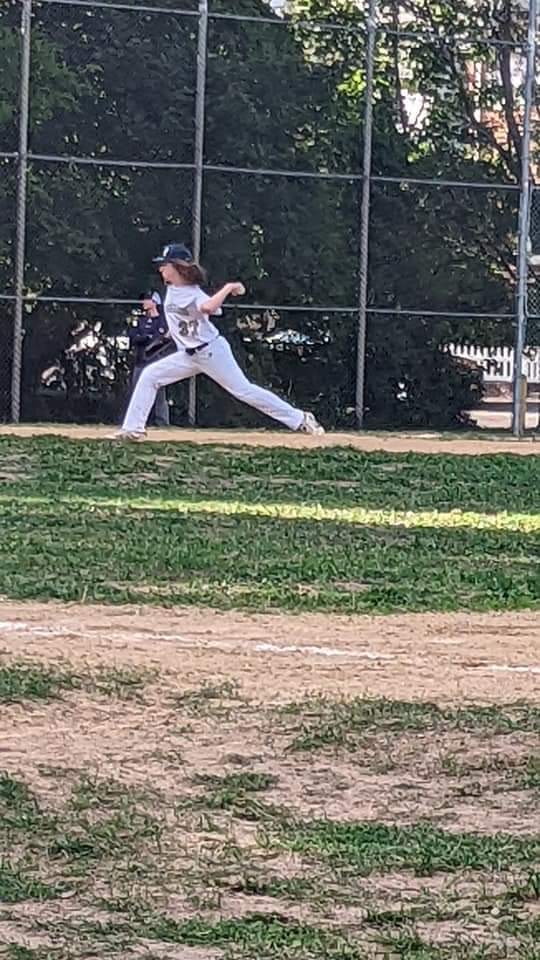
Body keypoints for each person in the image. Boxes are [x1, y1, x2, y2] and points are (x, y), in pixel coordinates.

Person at [110, 243, 325, 440]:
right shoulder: (173, 290)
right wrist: (166, 338)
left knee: (244, 390)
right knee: (150, 376)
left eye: (165, 265)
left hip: (211, 352)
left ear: (178, 267)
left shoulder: (194, 293)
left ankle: (300, 419)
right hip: (188, 355)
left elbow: (208, 308)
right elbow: (181, 320)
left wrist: (229, 288)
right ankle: (133, 429)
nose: (161, 269)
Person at [127, 291, 172, 427]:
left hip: (157, 362)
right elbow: (134, 337)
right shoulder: (140, 320)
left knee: (159, 393)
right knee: (137, 392)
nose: (144, 303)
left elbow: (162, 339)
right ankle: (137, 422)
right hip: (141, 361)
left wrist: (148, 337)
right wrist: (146, 337)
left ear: (154, 302)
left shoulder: (163, 321)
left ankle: (162, 422)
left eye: (147, 300)